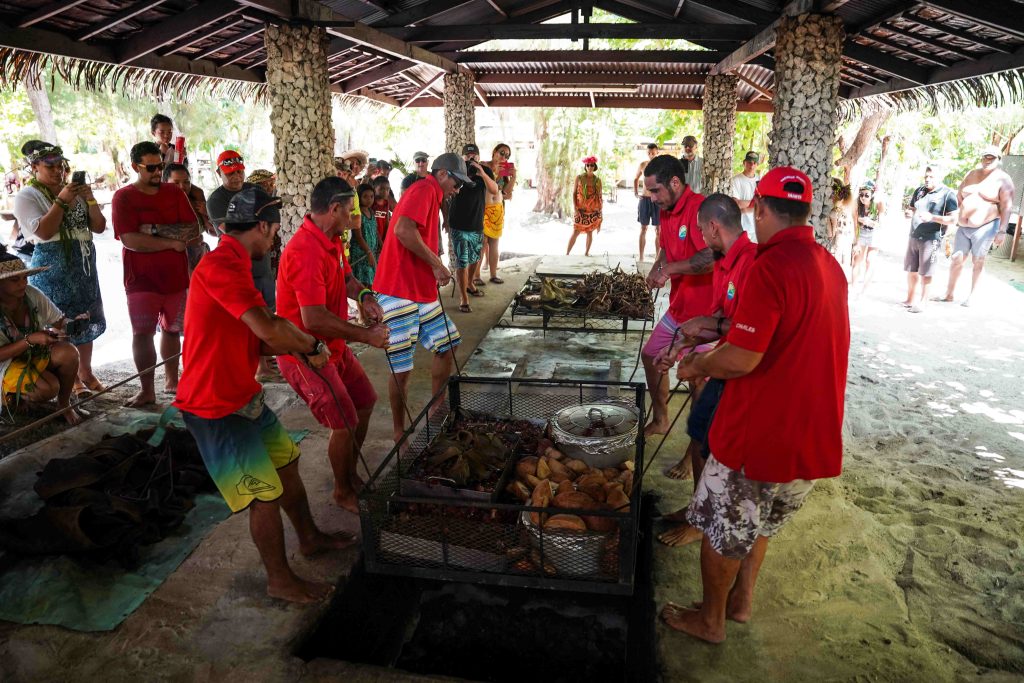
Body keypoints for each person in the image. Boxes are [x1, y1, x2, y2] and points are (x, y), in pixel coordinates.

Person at [660, 166, 850, 644]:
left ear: (760, 209)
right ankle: (742, 603)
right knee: (761, 523)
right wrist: (716, 332)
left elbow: (744, 358)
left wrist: (698, 368)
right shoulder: (830, 266)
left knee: (722, 531)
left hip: (759, 437)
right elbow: (775, 338)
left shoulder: (769, 265)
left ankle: (711, 621)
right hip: (809, 436)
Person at [173, 187, 356, 604]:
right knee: (263, 494)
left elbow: (265, 335)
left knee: (288, 464)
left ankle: (309, 537)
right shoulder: (220, 264)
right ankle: (280, 579)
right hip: (214, 405)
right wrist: (308, 347)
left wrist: (301, 343)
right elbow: (271, 330)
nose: (275, 239)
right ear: (261, 225)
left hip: (244, 394)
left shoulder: (238, 263)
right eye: (274, 231)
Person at [275, 178, 389, 513]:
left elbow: (347, 279)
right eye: (351, 210)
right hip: (305, 354)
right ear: (335, 208)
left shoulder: (332, 240)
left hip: (333, 346)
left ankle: (349, 473)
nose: (356, 217)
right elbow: (313, 320)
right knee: (344, 420)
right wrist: (365, 335)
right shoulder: (305, 251)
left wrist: (365, 296)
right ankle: (341, 490)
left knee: (365, 402)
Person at [653, 194, 758, 548]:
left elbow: (745, 331)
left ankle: (702, 521)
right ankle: (697, 509)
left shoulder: (751, 262)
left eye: (701, 230)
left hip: (745, 372)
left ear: (714, 227)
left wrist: (700, 360)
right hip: (725, 354)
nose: (699, 236)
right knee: (698, 431)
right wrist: (682, 346)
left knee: (709, 440)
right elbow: (719, 321)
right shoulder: (723, 260)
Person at [374, 152, 468, 443]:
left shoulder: (431, 193)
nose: (458, 189)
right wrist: (437, 264)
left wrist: (432, 267)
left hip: (419, 289)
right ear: (442, 175)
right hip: (397, 288)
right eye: (456, 182)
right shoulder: (425, 189)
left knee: (447, 344)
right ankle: (399, 432)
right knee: (402, 368)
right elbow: (403, 230)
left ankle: (436, 412)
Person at [14, 140, 106, 398]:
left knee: (86, 317)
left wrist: (89, 199)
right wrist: (62, 200)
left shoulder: (73, 190)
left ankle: (86, 371)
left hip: (83, 262)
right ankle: (72, 376)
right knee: (60, 319)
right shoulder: (27, 196)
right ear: (35, 167)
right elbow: (43, 231)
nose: (58, 171)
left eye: (61, 165)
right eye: (50, 166)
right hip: (52, 264)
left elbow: (98, 227)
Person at [111, 141, 198, 407]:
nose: (157, 172)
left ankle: (173, 380)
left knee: (173, 331)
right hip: (141, 280)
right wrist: (171, 242)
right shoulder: (123, 197)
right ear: (135, 166)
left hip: (175, 278)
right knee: (142, 333)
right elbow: (129, 239)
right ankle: (146, 389)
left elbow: (193, 230)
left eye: (160, 166)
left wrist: (155, 230)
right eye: (150, 168)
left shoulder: (174, 192)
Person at [642, 155, 713, 436]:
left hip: (707, 316)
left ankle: (692, 454)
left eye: (655, 190)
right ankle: (661, 420)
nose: (653, 198)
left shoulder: (700, 210)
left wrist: (670, 269)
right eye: (650, 192)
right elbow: (666, 246)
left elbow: (711, 257)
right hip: (679, 308)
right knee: (651, 356)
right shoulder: (667, 208)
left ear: (674, 182)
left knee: (697, 380)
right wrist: (657, 266)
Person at [206, 151, 280, 382]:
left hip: (261, 259)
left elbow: (270, 217)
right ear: (219, 173)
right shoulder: (216, 200)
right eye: (230, 173)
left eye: (239, 171)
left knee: (267, 307)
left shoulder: (255, 191)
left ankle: (266, 358)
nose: (237, 176)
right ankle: (260, 366)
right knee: (250, 313)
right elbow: (231, 231)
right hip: (239, 260)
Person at [0, 251, 84, 425]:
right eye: (15, 280)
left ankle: (64, 405)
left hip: (31, 354)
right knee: (48, 388)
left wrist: (74, 323)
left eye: (24, 277)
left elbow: (59, 321)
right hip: (3, 364)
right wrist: (30, 339)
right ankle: (9, 396)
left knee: (68, 352)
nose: (23, 284)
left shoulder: (31, 294)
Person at [937, 146, 1016, 307]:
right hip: (964, 225)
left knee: (978, 260)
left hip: (986, 226)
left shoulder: (1004, 179)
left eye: (991, 158)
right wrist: (951, 219)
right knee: (957, 257)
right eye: (985, 157)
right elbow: (958, 198)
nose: (987, 160)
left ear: (999, 160)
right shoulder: (971, 174)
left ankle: (972, 296)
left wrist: (1002, 231)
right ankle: (949, 294)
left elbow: (1007, 207)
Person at [446, 143, 498, 314]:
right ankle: (464, 298)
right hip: (458, 223)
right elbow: (450, 191)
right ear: (463, 157)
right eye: (468, 156)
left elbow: (494, 189)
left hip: (476, 223)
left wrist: (482, 172)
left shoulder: (484, 171)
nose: (471, 158)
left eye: (474, 155)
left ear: (478, 156)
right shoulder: (456, 172)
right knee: (462, 260)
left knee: (475, 258)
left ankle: (469, 283)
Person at [902, 166, 958, 313]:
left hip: (931, 238)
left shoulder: (948, 194)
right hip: (914, 235)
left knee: (926, 272)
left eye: (931, 177)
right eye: (926, 176)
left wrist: (933, 217)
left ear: (940, 177)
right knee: (911, 270)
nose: (927, 179)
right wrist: (909, 213)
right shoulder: (919, 191)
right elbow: (913, 208)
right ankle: (909, 299)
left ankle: (924, 302)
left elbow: (953, 219)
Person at [163, 163, 215, 271]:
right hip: (173, 257)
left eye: (186, 182)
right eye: (176, 182)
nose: (182, 186)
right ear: (165, 183)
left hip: (198, 254)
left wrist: (207, 213)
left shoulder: (196, 201)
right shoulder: (161, 204)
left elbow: (213, 231)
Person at [481, 143, 515, 285]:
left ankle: (493, 274)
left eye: (507, 155)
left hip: (498, 210)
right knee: (482, 243)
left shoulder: (504, 172)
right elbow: (486, 186)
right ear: (494, 152)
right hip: (483, 209)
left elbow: (507, 193)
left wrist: (513, 177)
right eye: (502, 153)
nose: (504, 157)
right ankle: (476, 276)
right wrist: (494, 173)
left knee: (494, 244)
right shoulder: (483, 166)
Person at [850, 180, 882, 295]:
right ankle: (853, 288)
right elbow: (855, 224)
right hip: (861, 232)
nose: (863, 197)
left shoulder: (879, 204)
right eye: (861, 194)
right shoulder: (856, 204)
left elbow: (881, 223)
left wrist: (870, 222)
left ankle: (864, 290)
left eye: (866, 195)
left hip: (875, 233)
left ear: (872, 194)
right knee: (857, 259)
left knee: (870, 261)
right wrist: (856, 242)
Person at [567, 156, 603, 256]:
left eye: (591, 165)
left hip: (592, 211)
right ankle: (567, 253)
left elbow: (600, 196)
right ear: (585, 166)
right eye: (587, 165)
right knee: (575, 232)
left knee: (590, 232)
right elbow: (574, 193)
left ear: (595, 166)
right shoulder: (579, 178)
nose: (589, 167)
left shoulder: (597, 180)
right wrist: (575, 208)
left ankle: (586, 253)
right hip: (581, 210)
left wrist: (600, 212)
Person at [634, 143, 661, 262]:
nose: (651, 155)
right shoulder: (643, 165)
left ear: (657, 153)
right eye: (649, 153)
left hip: (657, 201)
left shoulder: (662, 166)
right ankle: (641, 256)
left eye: (653, 153)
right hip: (644, 199)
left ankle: (657, 257)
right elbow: (636, 179)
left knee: (658, 230)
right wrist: (635, 193)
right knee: (643, 228)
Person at [350, 183, 379, 287]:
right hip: (361, 253)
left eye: (371, 196)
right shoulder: (358, 214)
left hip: (370, 252)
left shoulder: (371, 212)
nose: (369, 199)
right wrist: (368, 252)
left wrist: (380, 245)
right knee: (362, 284)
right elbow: (358, 236)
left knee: (371, 283)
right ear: (359, 196)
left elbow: (375, 230)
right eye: (365, 196)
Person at [730, 151, 760, 242]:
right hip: (741, 227)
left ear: (757, 164)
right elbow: (737, 204)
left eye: (754, 163)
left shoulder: (760, 180)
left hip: (757, 228)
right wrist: (756, 202)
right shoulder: (736, 180)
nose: (752, 165)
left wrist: (746, 204)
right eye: (749, 162)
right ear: (744, 163)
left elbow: (764, 204)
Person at [827, 178, 855, 273]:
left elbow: (832, 232)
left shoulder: (836, 207)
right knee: (844, 261)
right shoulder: (846, 204)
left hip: (840, 236)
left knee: (838, 261)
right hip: (847, 236)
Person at [371, 176, 392, 244]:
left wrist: (386, 239)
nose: (385, 192)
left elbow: (386, 222)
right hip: (372, 237)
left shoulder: (386, 203)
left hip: (382, 236)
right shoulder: (371, 203)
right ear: (374, 189)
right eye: (382, 189)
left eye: (388, 189)